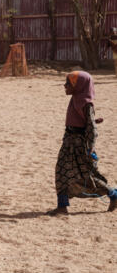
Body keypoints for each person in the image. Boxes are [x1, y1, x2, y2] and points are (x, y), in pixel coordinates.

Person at [47, 71, 117, 215]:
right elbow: (86, 122)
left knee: (86, 177)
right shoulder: (76, 99)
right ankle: (62, 206)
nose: (65, 86)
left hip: (79, 146)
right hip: (68, 142)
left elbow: (91, 128)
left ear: (79, 86)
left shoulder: (86, 103)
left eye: (68, 83)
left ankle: (114, 195)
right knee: (61, 172)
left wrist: (90, 149)